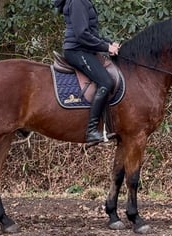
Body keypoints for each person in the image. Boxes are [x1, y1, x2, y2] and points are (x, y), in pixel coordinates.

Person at [54, 0, 120, 143]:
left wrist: (108, 43)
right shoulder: (78, 2)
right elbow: (82, 34)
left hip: (83, 49)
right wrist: (106, 48)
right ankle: (91, 131)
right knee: (106, 82)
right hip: (77, 51)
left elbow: (91, 33)